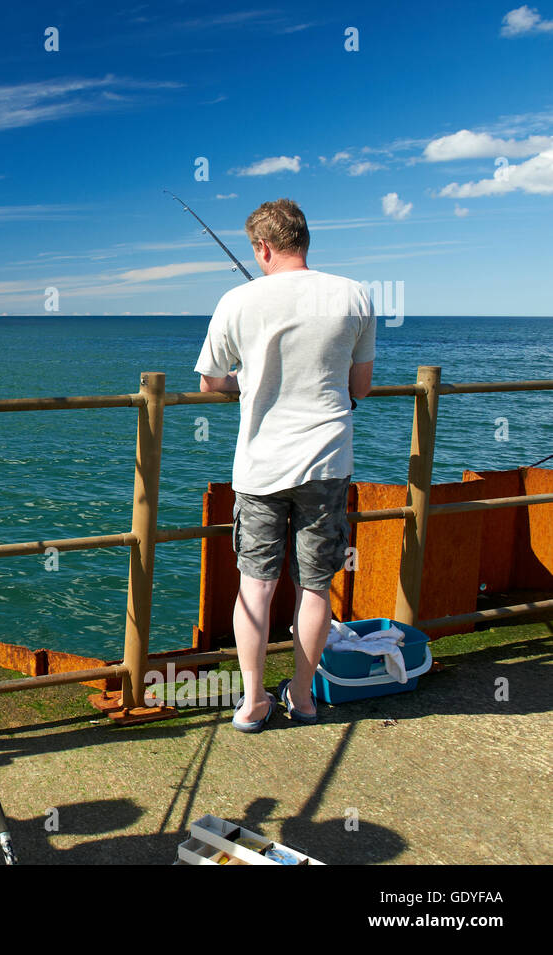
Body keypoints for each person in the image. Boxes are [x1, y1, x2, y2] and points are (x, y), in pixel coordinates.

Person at [193, 198, 375, 732]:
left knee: (256, 585)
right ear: (304, 240)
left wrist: (247, 380)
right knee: (316, 586)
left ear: (262, 248)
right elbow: (360, 386)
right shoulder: (354, 294)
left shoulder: (237, 300)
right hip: (327, 462)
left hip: (260, 467)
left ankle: (252, 702)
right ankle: (304, 695)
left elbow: (209, 381)